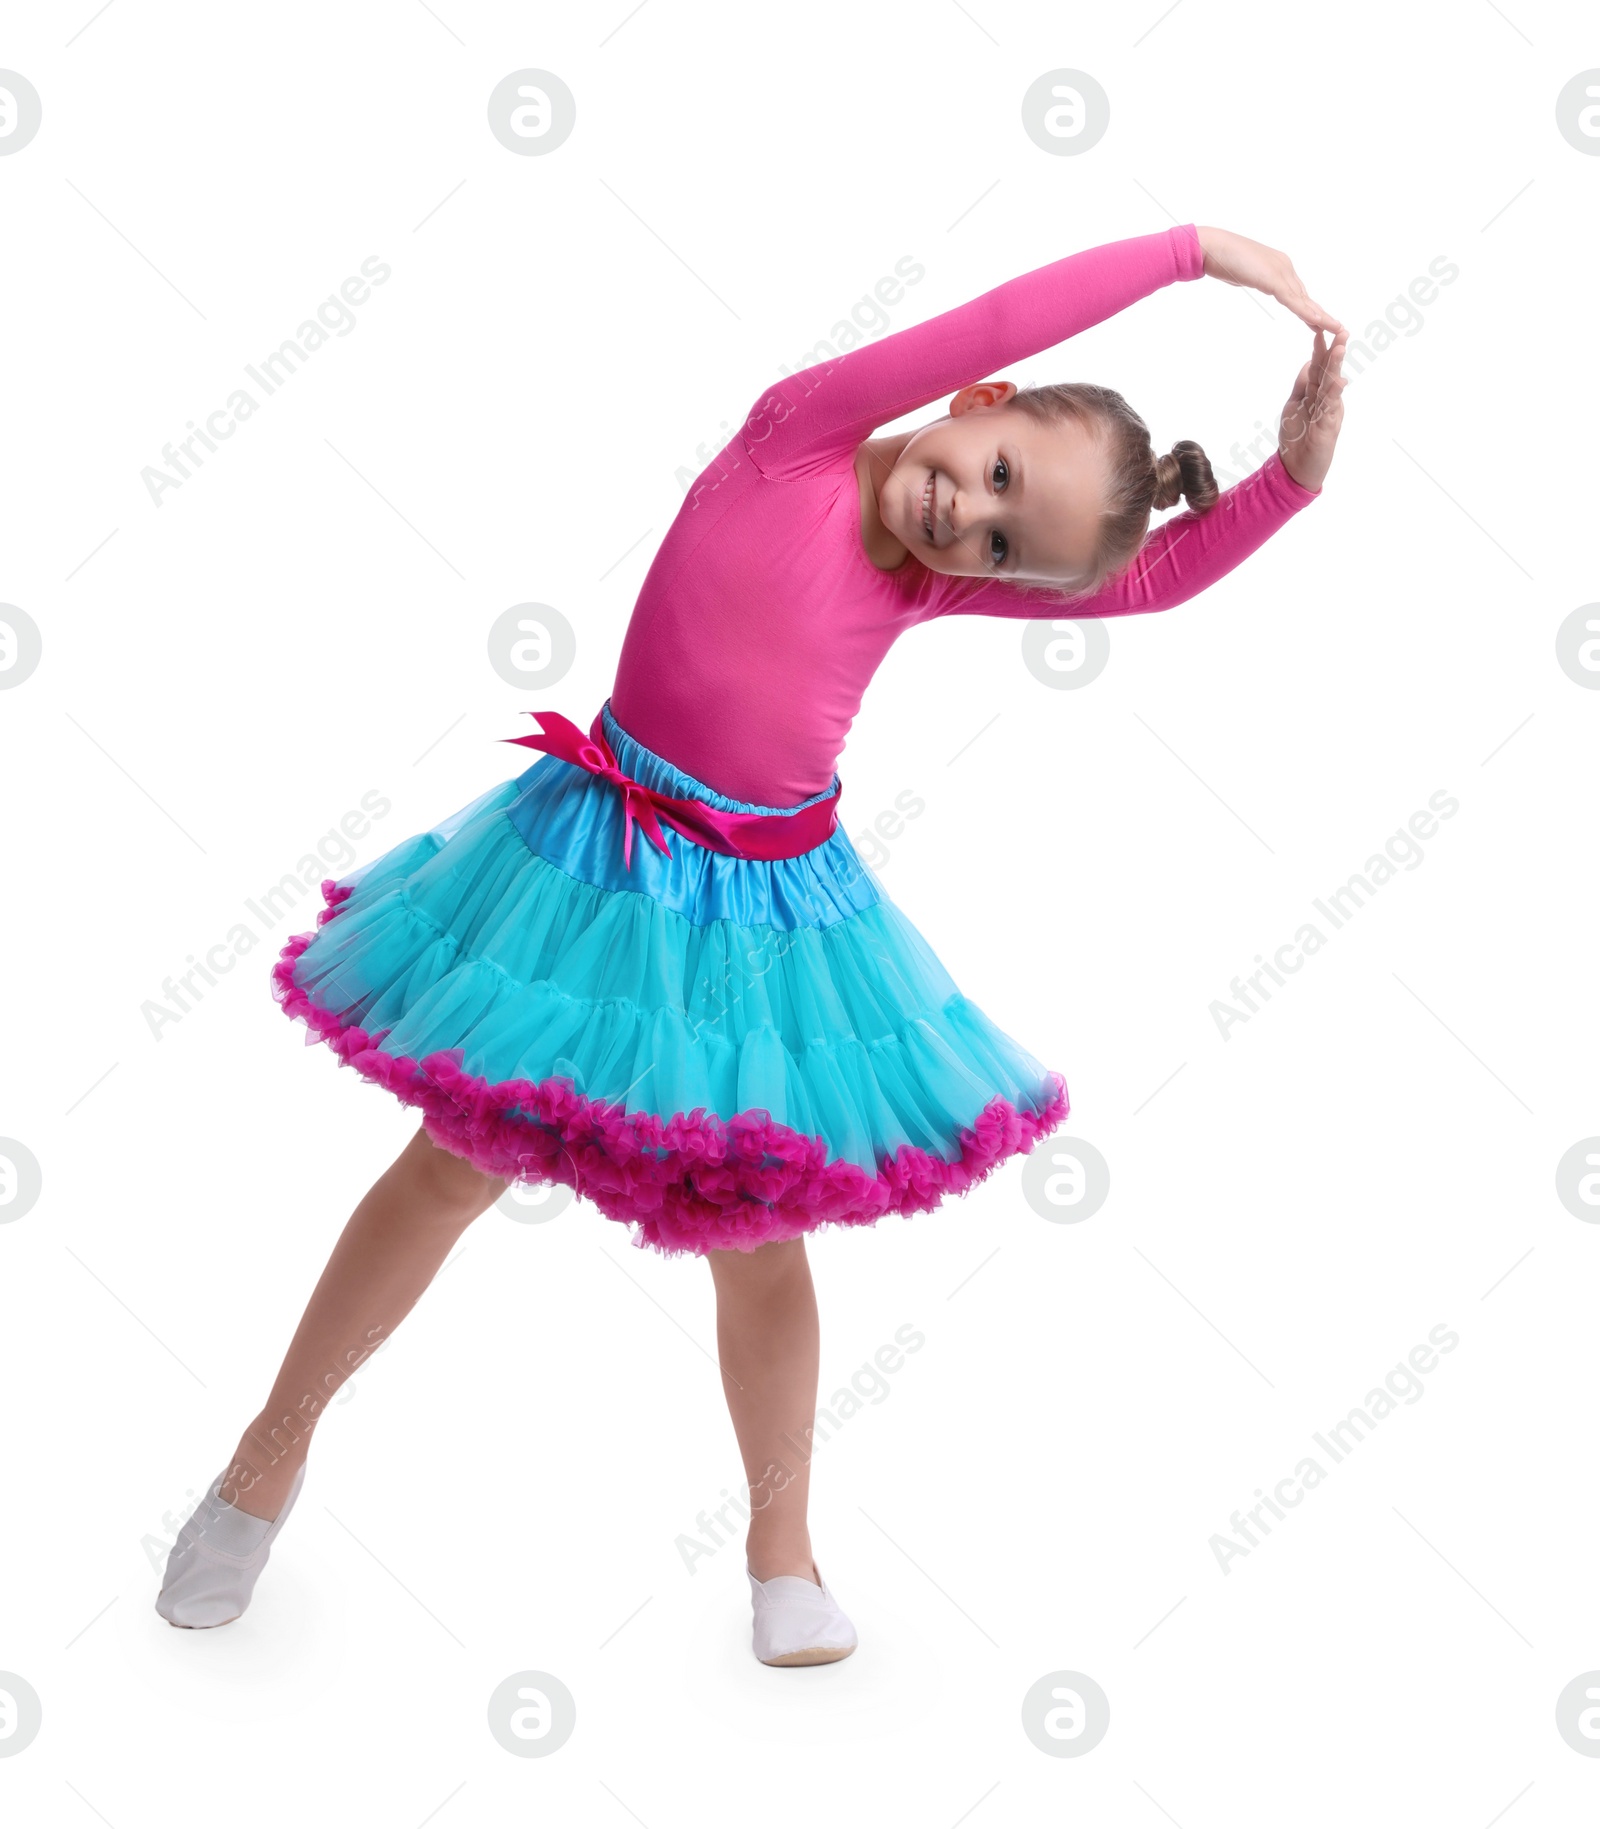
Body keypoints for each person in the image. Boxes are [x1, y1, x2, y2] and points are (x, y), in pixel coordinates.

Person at [156, 222, 1348, 1665]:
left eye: (997, 542)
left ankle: (783, 1551)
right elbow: (1001, 309)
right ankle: (264, 1458)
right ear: (980, 404)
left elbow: (1145, 582)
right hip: (592, 872)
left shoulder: (928, 576)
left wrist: (1291, 480)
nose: (961, 518)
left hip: (769, 916)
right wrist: (1193, 253)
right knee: (447, 1170)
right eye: (993, 477)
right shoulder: (802, 435)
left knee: (756, 1231)